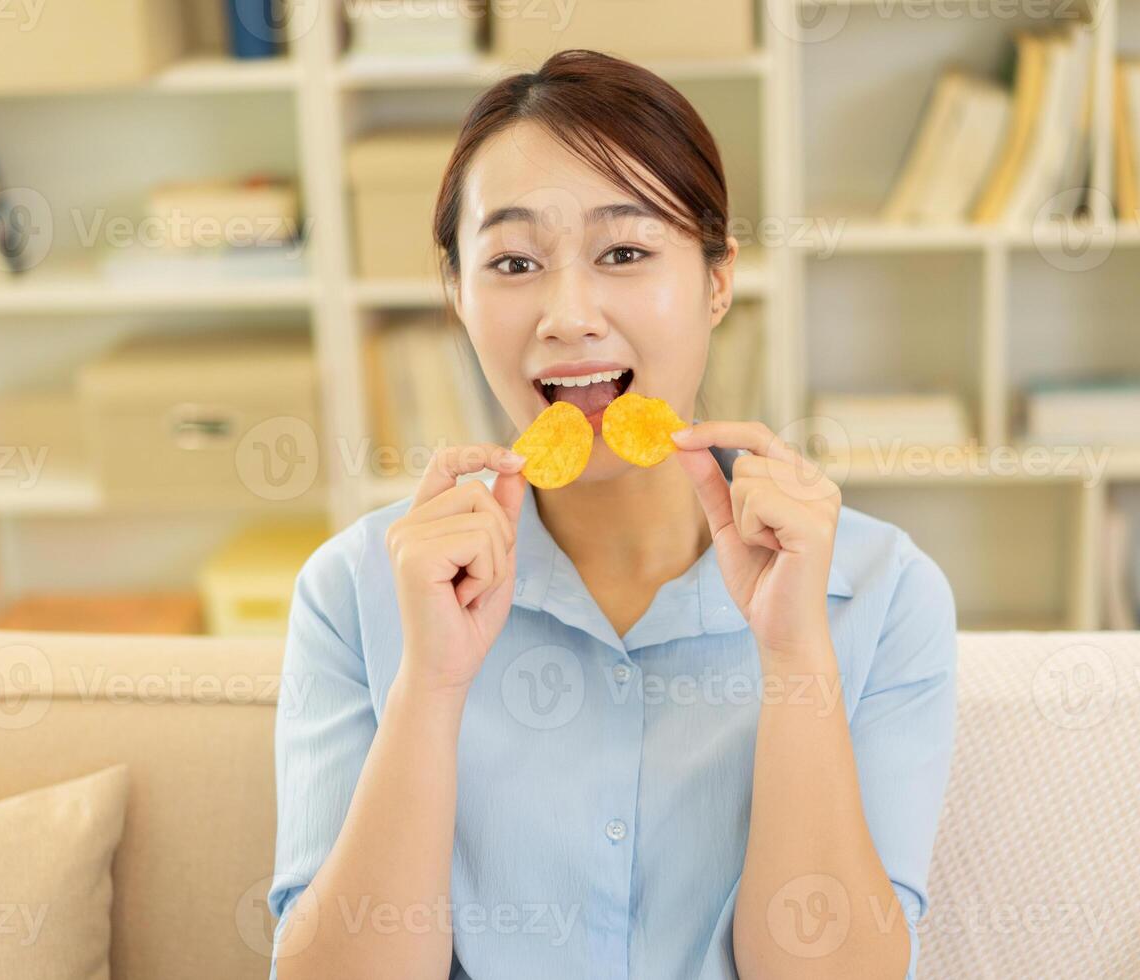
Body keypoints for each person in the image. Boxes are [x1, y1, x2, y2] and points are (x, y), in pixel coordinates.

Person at [269, 48, 957, 980]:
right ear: (457, 299)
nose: (568, 314)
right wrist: (430, 687)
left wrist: (796, 660)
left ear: (719, 280)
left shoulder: (881, 590)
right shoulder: (355, 591)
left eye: (625, 252)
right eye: (513, 262)